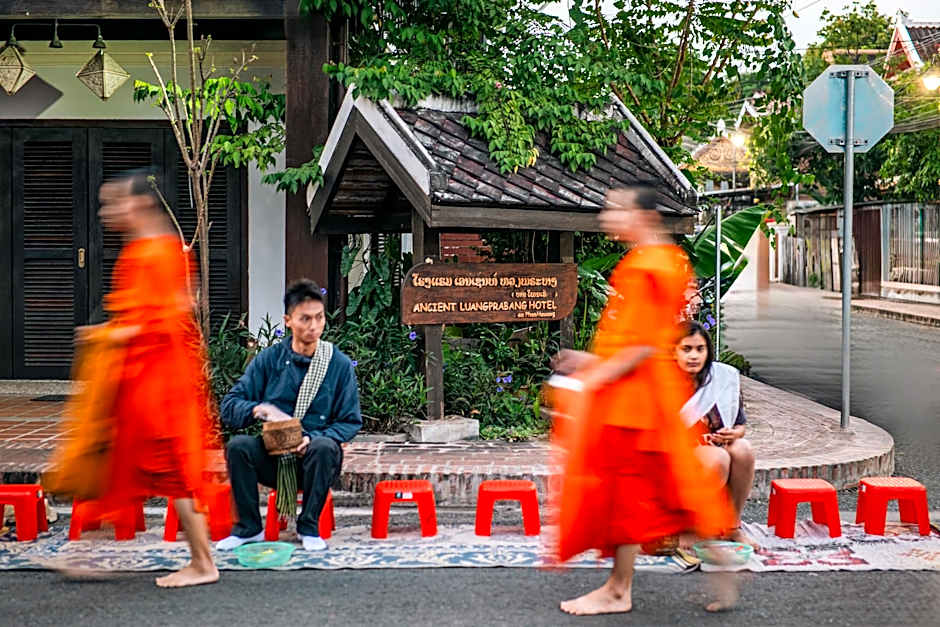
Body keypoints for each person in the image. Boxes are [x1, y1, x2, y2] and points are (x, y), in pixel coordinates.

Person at [549, 185, 736, 616]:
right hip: (647, 393)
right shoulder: (667, 259)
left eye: (616, 209)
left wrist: (594, 375)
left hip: (633, 400)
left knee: (631, 494)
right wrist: (589, 361)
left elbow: (641, 346)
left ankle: (618, 590)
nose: (607, 217)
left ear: (644, 217)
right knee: (668, 489)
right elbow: (633, 340)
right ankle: (721, 561)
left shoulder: (648, 265)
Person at [43, 169, 218, 588]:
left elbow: (164, 319)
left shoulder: (157, 252)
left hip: (159, 382)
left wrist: (109, 334)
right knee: (112, 463)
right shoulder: (147, 249)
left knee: (172, 469)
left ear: (138, 204)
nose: (107, 212)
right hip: (137, 378)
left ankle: (203, 563)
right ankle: (85, 551)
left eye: (113, 202)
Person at [217, 280, 362, 552]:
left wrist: (313, 437)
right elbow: (229, 406)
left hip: (315, 463)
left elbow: (350, 421)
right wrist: (259, 409)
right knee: (239, 447)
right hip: (273, 460)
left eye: (319, 318)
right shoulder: (269, 359)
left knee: (323, 447)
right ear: (288, 321)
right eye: (304, 319)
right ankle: (249, 528)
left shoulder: (337, 363)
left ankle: (308, 527)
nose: (313, 326)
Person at [675, 321, 757, 548]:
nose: (694, 356)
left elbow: (740, 424)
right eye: (686, 349)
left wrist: (733, 434)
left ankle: (732, 527)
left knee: (743, 449)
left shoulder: (720, 378)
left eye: (700, 349)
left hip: (715, 445)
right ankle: (694, 528)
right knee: (717, 458)